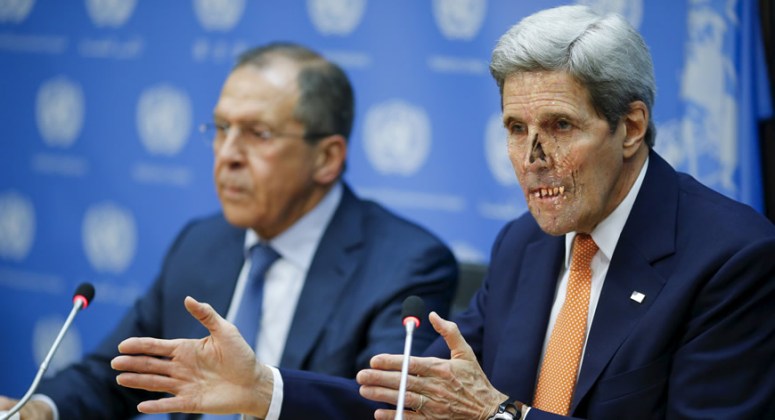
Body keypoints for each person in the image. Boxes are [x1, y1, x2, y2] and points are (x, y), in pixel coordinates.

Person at [109, 5, 775, 420]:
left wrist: (502, 417)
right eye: (514, 128)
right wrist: (267, 390)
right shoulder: (523, 245)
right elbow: (411, 398)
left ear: (629, 127)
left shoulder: (731, 257)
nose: (532, 158)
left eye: (560, 126)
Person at [0, 42, 458, 419]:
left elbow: (385, 411)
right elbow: (115, 373)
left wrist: (263, 393)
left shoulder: (405, 266)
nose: (228, 154)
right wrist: (39, 410)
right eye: (221, 128)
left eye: (258, 133)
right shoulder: (200, 244)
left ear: (327, 158)